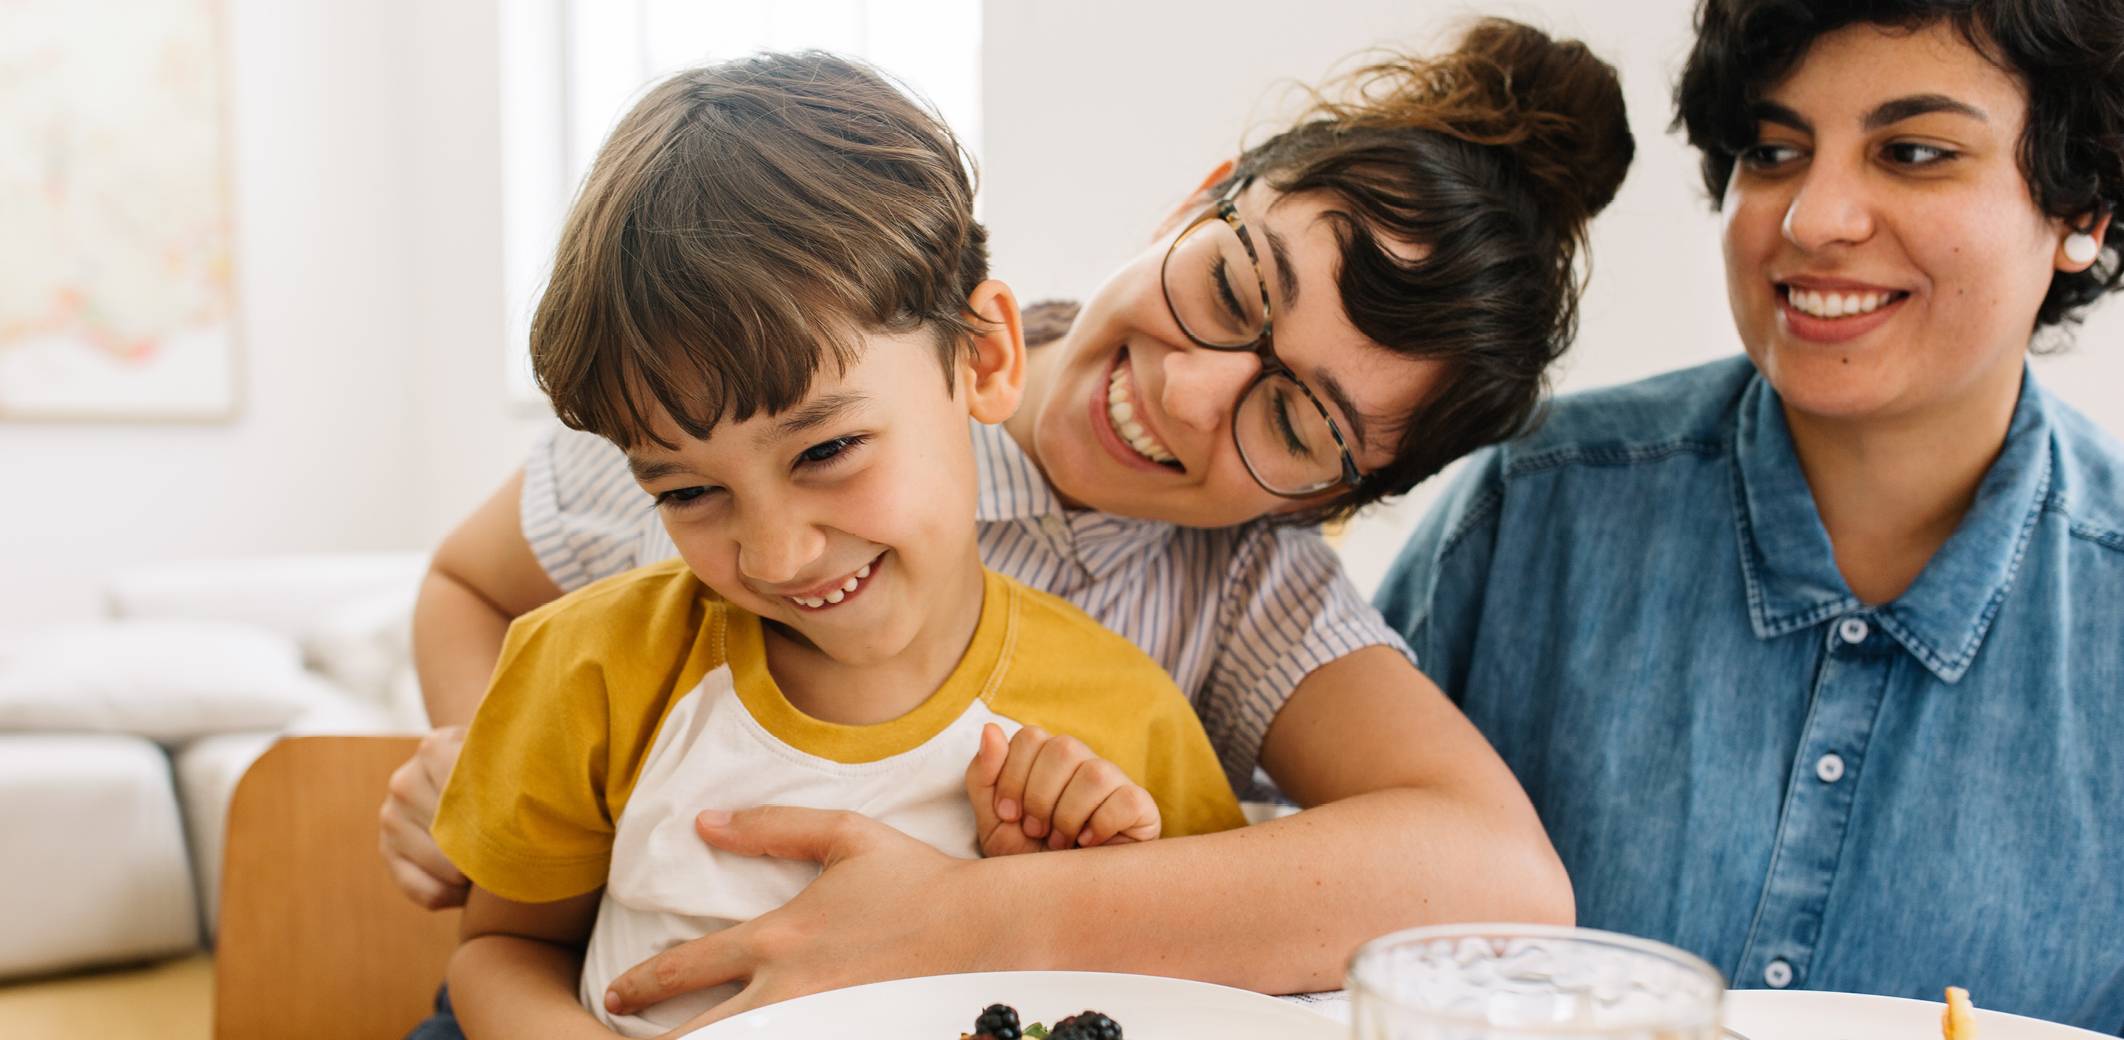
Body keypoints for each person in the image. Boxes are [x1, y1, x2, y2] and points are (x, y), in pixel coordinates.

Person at [387, 17, 1635, 1028]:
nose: (1188, 389)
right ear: (1201, 200)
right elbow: (469, 583)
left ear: (1338, 500)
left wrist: (979, 913)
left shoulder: (1246, 587)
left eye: (1299, 427)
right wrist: (479, 752)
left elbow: (1498, 877)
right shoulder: (755, 367)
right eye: (1234, 284)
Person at [426, 52, 1248, 1039]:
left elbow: (1201, 999)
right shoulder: (590, 667)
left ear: (983, 357)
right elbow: (499, 951)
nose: (773, 553)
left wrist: (1097, 873)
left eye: (828, 448)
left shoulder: (1127, 722)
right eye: (689, 490)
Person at [1376, 0, 2123, 1028]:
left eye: (1911, 151)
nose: (1813, 219)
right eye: (1774, 150)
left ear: (2085, 211)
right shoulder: (1529, 511)